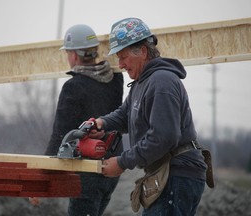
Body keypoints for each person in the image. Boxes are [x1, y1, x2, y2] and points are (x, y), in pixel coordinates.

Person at [86, 17, 210, 216]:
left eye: (123, 57)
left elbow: (163, 137)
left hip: (176, 175)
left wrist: (122, 162)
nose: (120, 64)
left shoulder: (161, 82)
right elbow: (126, 115)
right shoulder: (142, 83)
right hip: (168, 173)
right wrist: (102, 123)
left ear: (142, 51)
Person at [45, 24, 124, 216]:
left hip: (87, 170)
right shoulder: (115, 79)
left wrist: (44, 175)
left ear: (73, 55)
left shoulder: (73, 87)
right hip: (112, 167)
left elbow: (61, 134)